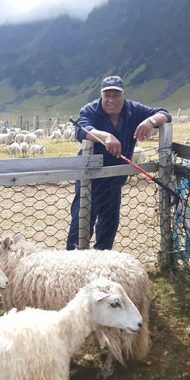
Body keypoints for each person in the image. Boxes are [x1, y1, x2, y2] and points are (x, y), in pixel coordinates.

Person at [66, 75, 171, 250]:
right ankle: (71, 266)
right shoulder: (90, 110)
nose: (111, 100)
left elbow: (165, 114)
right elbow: (81, 129)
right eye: (107, 95)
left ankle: (102, 265)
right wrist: (105, 136)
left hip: (115, 181)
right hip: (90, 181)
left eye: (116, 95)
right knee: (81, 223)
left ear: (123, 95)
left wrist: (150, 121)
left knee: (109, 225)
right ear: (101, 95)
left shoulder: (134, 110)